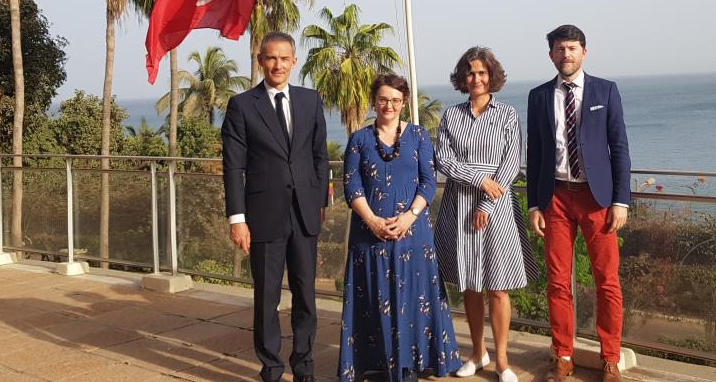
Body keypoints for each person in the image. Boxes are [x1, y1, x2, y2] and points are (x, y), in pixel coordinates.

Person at [338, 74, 461, 382]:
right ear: (374, 101)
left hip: (413, 234)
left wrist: (409, 216)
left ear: (404, 102)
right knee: (374, 295)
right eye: (383, 99)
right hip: (370, 234)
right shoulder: (359, 139)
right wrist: (372, 220)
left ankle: (417, 361)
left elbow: (429, 181)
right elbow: (352, 185)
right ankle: (376, 364)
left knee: (415, 296)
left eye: (395, 99)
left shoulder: (419, 136)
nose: (388, 105)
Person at [222, 32, 329, 382]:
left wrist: (319, 203)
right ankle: (270, 368)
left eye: (284, 58)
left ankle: (304, 367)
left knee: (305, 297)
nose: (277, 65)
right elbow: (233, 166)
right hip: (263, 216)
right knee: (266, 299)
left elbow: (318, 156)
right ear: (260, 61)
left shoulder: (310, 101)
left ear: (294, 61)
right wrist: (237, 219)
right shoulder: (242, 105)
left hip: (304, 216)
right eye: (270, 58)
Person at [526, 25, 631, 382]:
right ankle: (563, 355)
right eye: (559, 49)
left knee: (607, 281)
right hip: (554, 197)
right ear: (551, 55)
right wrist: (534, 205)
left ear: (584, 52)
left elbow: (619, 148)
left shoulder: (605, 90)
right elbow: (536, 152)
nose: (566, 54)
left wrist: (621, 200)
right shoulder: (538, 96)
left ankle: (611, 359)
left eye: (572, 48)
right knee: (557, 282)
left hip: (597, 198)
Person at [435, 47, 539, 382]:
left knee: (498, 286)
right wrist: (479, 178)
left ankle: (503, 360)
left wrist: (487, 202)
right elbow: (444, 161)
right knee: (469, 284)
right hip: (459, 203)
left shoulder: (507, 114)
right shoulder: (450, 116)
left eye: (482, 72)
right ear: (462, 78)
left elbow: (511, 163)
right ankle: (477, 353)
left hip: (496, 207)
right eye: (470, 73)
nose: (476, 78)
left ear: (491, 75)